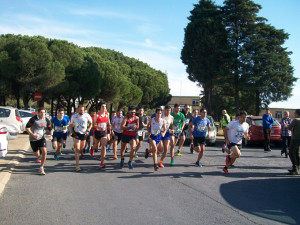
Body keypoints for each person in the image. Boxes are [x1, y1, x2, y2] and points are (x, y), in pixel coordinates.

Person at [25, 107, 53, 175]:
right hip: (33, 139)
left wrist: (51, 135)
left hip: (41, 138)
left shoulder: (46, 119)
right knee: (36, 154)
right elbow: (27, 128)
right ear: (38, 112)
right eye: (41, 112)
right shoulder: (33, 119)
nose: (43, 114)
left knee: (44, 151)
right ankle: (38, 157)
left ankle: (41, 167)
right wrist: (32, 134)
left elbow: (51, 129)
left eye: (44, 112)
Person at [69, 105, 92, 172]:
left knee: (82, 148)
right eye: (80, 110)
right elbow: (70, 124)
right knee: (77, 149)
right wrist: (71, 132)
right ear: (78, 110)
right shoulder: (74, 116)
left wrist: (88, 130)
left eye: (82, 110)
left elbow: (91, 123)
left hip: (84, 133)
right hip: (76, 133)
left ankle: (77, 147)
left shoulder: (87, 115)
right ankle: (77, 165)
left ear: (84, 110)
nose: (81, 111)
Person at [92, 102, 111, 168]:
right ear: (100, 107)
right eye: (103, 106)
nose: (104, 108)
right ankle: (92, 148)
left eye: (105, 106)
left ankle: (102, 162)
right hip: (97, 132)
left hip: (104, 132)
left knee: (103, 146)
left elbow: (108, 123)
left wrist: (110, 131)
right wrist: (98, 126)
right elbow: (93, 125)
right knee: (96, 147)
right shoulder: (97, 115)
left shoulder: (107, 114)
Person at [287, 109, 300, 175]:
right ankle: (297, 167)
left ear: (297, 114)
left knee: (291, 153)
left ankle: (295, 168)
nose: (294, 114)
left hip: (295, 139)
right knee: (297, 153)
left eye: (295, 113)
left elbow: (289, 127)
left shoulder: (296, 120)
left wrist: (286, 125)